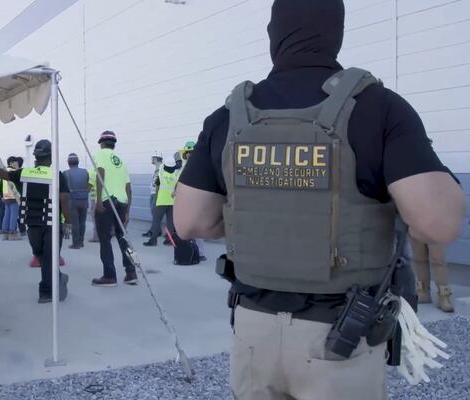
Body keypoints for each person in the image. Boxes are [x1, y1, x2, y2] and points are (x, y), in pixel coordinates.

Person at [173, 1, 466, 399]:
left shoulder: (228, 117)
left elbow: (190, 222)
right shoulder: (379, 108)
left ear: (272, 35)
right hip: (340, 337)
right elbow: (438, 223)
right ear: (336, 34)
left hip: (252, 330)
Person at [0, 139, 71, 303]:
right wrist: (68, 222)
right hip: (51, 224)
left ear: (35, 158)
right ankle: (52, 285)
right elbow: (64, 200)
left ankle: (47, 289)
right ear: (51, 158)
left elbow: (3, 174)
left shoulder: (24, 173)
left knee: (42, 256)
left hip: (31, 224)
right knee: (49, 256)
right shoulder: (57, 175)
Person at [92, 131, 137, 287]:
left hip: (107, 201)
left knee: (104, 239)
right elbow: (128, 188)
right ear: (114, 144)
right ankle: (131, 272)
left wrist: (98, 199)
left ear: (102, 143)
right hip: (122, 202)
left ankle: (109, 276)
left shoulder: (100, 154)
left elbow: (100, 173)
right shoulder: (122, 161)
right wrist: (128, 211)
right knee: (123, 238)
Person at [143, 153, 179, 247]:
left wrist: (156, 199)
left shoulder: (161, 175)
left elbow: (157, 187)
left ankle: (153, 240)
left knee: (156, 221)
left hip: (161, 201)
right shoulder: (175, 176)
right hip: (171, 201)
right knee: (170, 222)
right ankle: (169, 240)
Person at [410, 239, 454, 312]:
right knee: (419, 259)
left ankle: (444, 296)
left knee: (438, 260)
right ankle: (423, 292)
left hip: (435, 229)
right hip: (415, 228)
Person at [63, 153, 89, 249]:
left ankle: (76, 243)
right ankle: (81, 241)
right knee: (82, 222)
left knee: (75, 223)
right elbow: (87, 185)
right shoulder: (85, 172)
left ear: (68, 163)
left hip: (72, 201)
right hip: (84, 200)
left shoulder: (65, 173)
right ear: (78, 162)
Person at [143, 153, 164, 238]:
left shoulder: (161, 169)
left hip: (156, 193)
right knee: (154, 213)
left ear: (156, 158)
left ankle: (154, 231)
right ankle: (156, 230)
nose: (151, 159)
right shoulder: (157, 169)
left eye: (152, 158)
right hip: (153, 192)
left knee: (155, 213)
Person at [1, 156, 22, 240]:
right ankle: (12, 233)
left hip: (6, 196)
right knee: (14, 215)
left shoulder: (4, 171)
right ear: (12, 163)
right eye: (15, 162)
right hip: (14, 196)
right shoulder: (15, 172)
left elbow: (1, 185)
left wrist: (2, 195)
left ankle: (5, 233)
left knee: (7, 215)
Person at [87, 168, 99, 243]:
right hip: (105, 198)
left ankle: (96, 237)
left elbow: (89, 186)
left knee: (95, 218)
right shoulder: (106, 172)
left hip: (95, 199)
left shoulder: (92, 173)